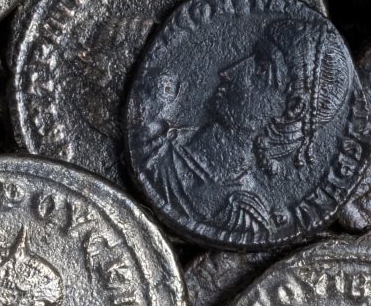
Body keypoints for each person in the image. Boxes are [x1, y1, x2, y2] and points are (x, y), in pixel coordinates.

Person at [138, 16, 348, 237]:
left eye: (260, 69)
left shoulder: (240, 216)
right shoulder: (155, 138)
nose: (230, 71)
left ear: (293, 109)